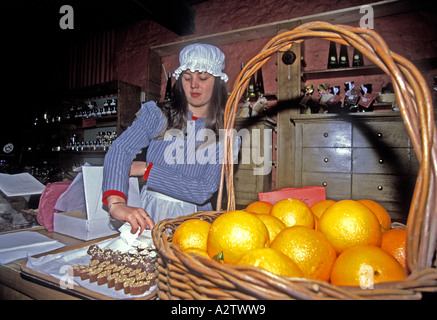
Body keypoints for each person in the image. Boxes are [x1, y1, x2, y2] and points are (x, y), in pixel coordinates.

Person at [102, 43, 229, 234]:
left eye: (202, 77)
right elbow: (121, 149)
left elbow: (202, 190)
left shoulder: (223, 134)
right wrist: (117, 203)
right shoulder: (158, 116)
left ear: (218, 82)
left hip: (194, 222)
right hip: (151, 213)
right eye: (187, 78)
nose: (194, 84)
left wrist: (146, 170)